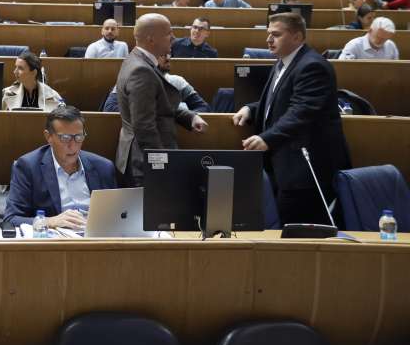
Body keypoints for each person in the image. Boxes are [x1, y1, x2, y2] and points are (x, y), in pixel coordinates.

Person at [231, 12, 351, 225]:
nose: (269, 39)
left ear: (297, 36)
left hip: (305, 170)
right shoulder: (283, 62)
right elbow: (279, 100)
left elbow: (302, 111)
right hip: (284, 164)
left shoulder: (312, 66)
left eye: (276, 34)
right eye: (268, 34)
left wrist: (267, 138)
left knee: (299, 230)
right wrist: (251, 109)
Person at [115, 13, 207, 187]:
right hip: (144, 165)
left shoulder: (138, 59)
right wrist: (162, 165)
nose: (173, 37)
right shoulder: (141, 71)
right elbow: (144, 126)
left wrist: (189, 117)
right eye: (168, 33)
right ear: (151, 39)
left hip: (144, 159)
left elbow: (158, 103)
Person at [2, 105, 117, 230]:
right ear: (48, 137)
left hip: (96, 237)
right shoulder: (28, 166)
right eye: (65, 138)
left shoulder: (103, 167)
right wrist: (49, 221)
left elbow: (118, 215)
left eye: (78, 137)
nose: (73, 146)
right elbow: (11, 219)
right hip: (55, 238)